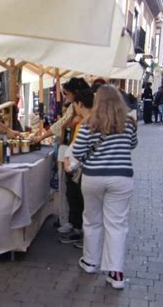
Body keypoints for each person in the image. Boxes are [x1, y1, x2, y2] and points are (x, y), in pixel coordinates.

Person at [72, 85, 137, 290]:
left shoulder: (88, 124)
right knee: (117, 225)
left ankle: (91, 262)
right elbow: (133, 145)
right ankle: (116, 272)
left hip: (93, 178)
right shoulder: (129, 123)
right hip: (121, 178)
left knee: (92, 220)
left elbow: (79, 151)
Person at [32, 78, 90, 233]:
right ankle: (75, 223)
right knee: (72, 190)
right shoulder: (74, 109)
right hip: (75, 155)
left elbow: (63, 127)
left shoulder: (84, 116)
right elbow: (61, 125)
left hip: (77, 158)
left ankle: (78, 227)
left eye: (66, 93)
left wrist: (67, 158)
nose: (65, 97)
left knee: (75, 190)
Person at [59, 88, 95, 248]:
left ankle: (86, 242)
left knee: (84, 205)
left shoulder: (87, 124)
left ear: (80, 104)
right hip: (98, 173)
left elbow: (78, 150)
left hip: (84, 171)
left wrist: (68, 162)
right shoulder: (91, 121)